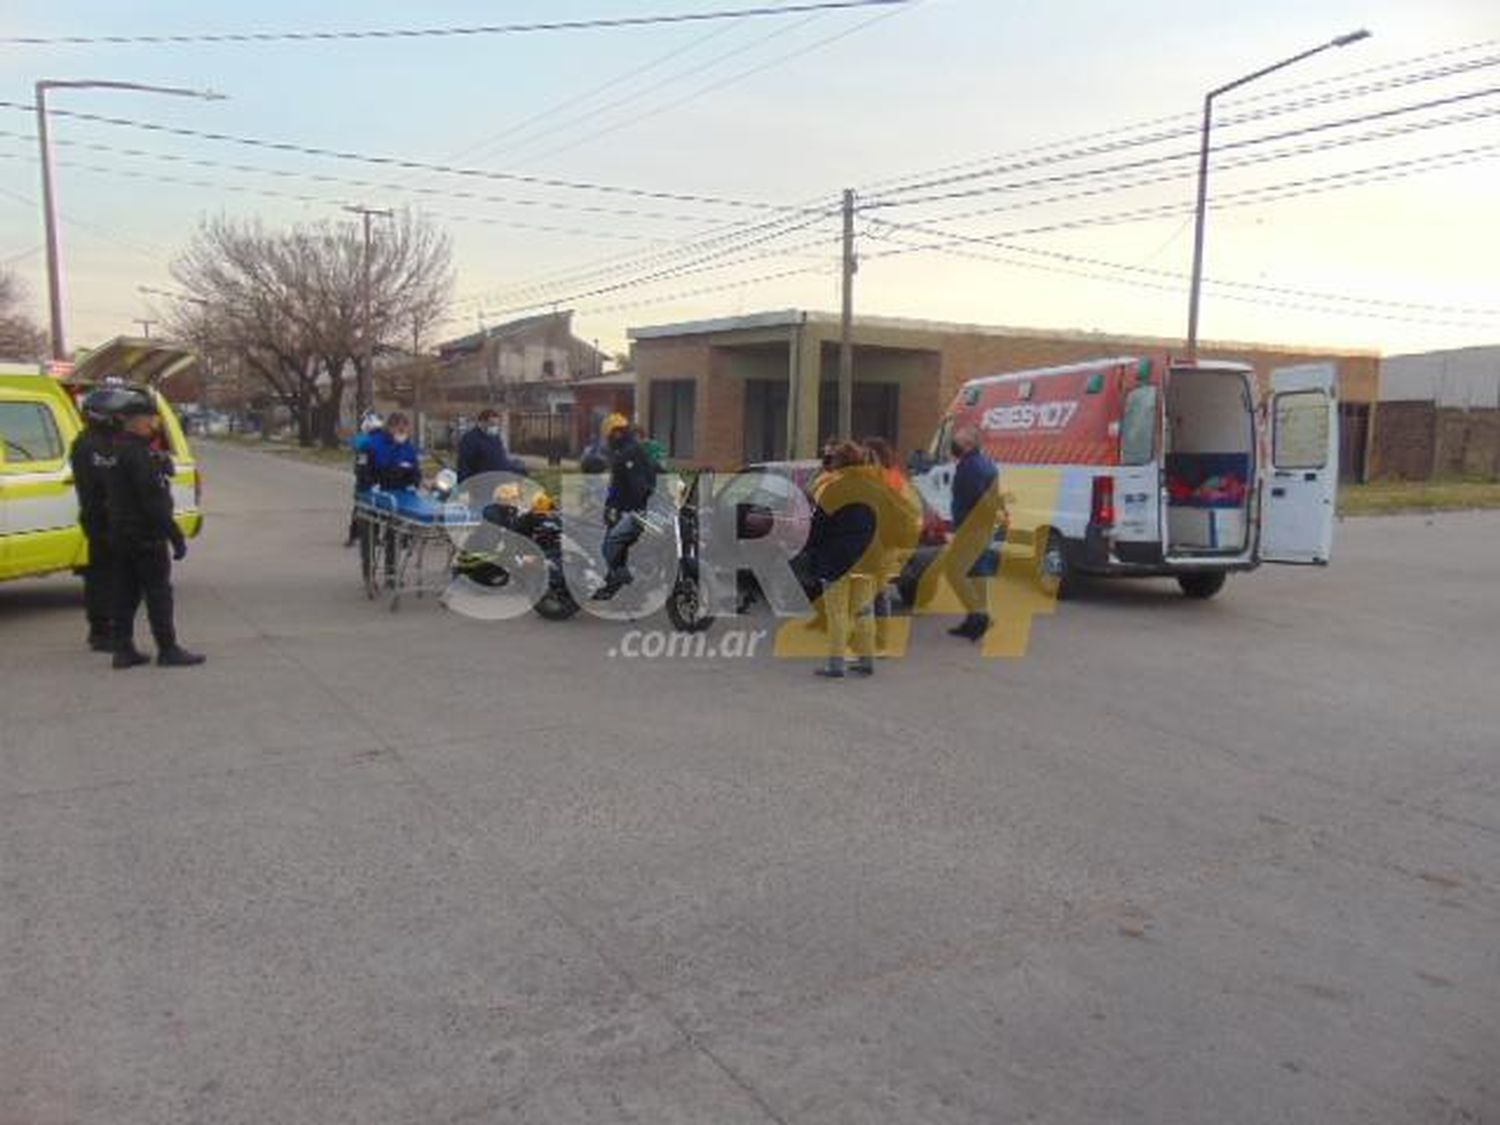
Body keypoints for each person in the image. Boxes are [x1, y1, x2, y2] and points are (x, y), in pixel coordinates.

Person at [105, 392, 204, 668]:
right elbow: (152, 500)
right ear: (138, 422)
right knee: (158, 592)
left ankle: (123, 649)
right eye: (150, 419)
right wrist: (174, 535)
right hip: (145, 535)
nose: (153, 424)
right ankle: (168, 648)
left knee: (126, 593)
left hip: (121, 532)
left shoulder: (115, 449)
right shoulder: (139, 454)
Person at [806, 440, 878, 678]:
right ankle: (867, 659)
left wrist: (810, 547)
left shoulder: (834, 490)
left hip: (837, 559)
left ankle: (836, 664)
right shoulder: (872, 488)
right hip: (866, 557)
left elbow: (819, 526)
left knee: (837, 613)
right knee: (864, 611)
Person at [70, 386, 131, 651]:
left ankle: (110, 626)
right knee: (103, 575)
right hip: (102, 519)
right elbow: (104, 482)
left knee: (113, 574)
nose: (122, 419)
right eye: (118, 414)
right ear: (102, 415)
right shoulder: (90, 444)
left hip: (110, 518)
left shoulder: (106, 442)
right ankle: (101, 630)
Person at [863, 435, 922, 656]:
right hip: (889, 543)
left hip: (875, 542)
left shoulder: (878, 479)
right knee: (880, 593)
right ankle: (881, 644)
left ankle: (867, 644)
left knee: (866, 594)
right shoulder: (896, 478)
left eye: (867, 454)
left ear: (875, 456)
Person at [591, 413, 657, 601]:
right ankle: (619, 589)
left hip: (632, 510)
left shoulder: (627, 454)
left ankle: (625, 589)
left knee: (611, 547)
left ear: (616, 434)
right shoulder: (634, 449)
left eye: (610, 436)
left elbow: (632, 486)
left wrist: (614, 509)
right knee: (622, 549)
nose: (609, 441)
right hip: (636, 509)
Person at [946, 424, 1000, 642]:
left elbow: (976, 499)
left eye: (957, 439)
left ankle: (980, 615)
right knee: (977, 573)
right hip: (984, 527)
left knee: (954, 572)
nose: (953, 443)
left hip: (971, 528)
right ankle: (973, 621)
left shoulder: (969, 467)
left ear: (968, 444)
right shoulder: (987, 463)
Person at [456, 409, 528, 497]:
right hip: (481, 485)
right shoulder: (470, 439)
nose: (494, 427)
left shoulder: (495, 438)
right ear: (481, 423)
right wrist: (464, 486)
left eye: (496, 424)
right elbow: (464, 464)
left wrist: (515, 469)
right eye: (491, 424)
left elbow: (500, 458)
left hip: (499, 483)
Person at [345, 410, 383, 547]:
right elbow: (360, 465)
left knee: (375, 509)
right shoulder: (363, 442)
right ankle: (355, 536)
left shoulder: (378, 441)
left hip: (375, 481)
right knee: (363, 508)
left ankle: (372, 537)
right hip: (367, 481)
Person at [369, 411, 421, 491]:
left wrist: (415, 481)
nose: (402, 432)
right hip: (383, 486)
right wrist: (395, 446)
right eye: (399, 429)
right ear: (390, 428)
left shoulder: (408, 446)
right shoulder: (378, 442)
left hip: (403, 488)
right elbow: (380, 465)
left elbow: (415, 467)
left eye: (404, 430)